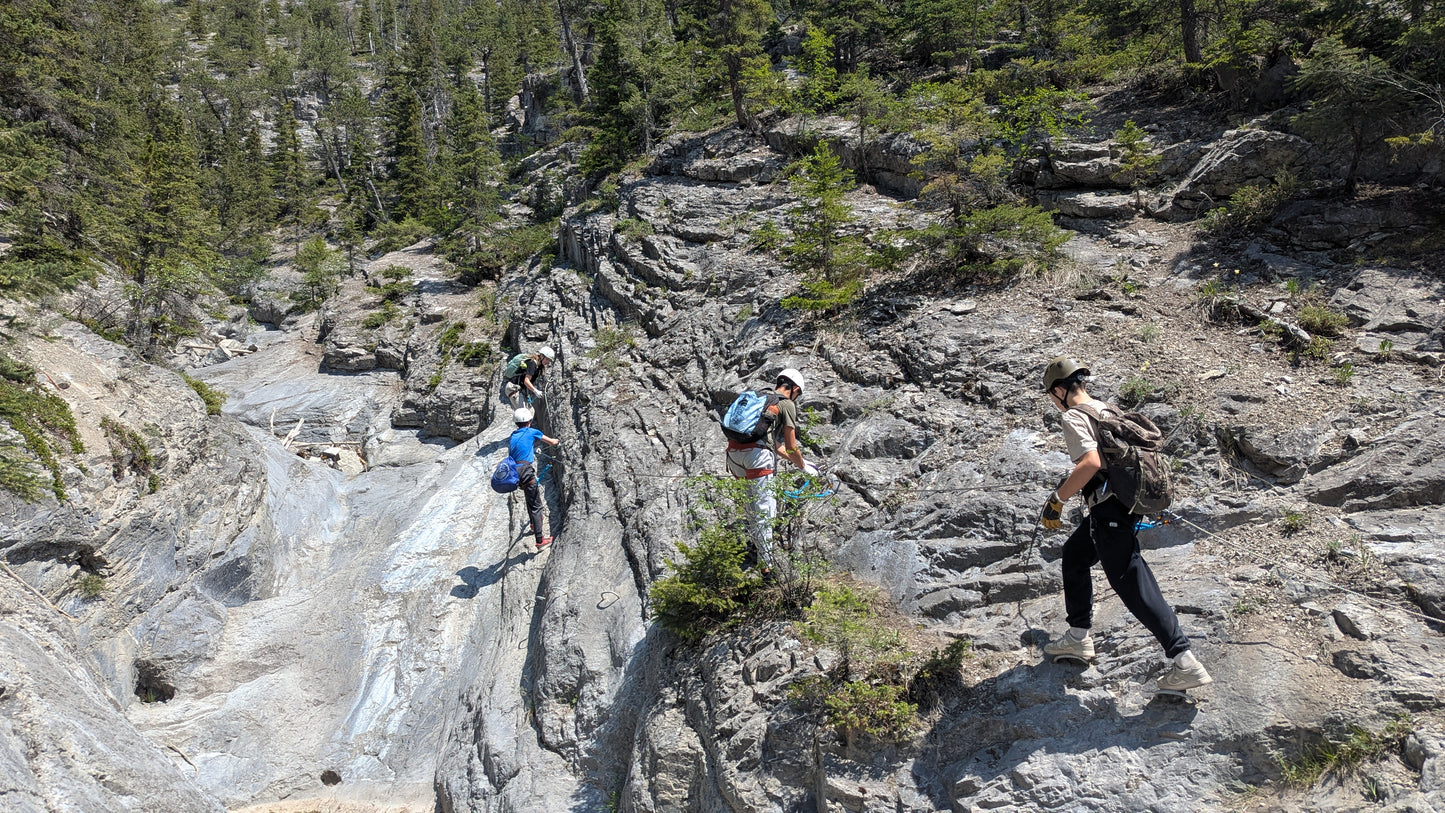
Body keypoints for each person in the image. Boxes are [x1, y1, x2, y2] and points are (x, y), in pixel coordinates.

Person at [1038, 356, 1213, 693]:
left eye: (1051, 395)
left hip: (1110, 514)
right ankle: (1078, 636)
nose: (1053, 402)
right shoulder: (1107, 410)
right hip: (1125, 507)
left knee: (1132, 582)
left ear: (1059, 390)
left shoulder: (1074, 416)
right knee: (1075, 554)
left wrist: (1058, 499)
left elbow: (1090, 463)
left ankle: (1184, 660)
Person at [724, 368, 819, 573]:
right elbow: (792, 446)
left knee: (751, 507)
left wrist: (802, 462)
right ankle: (766, 571)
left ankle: (755, 548)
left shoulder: (760, 397)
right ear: (795, 389)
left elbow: (776, 446)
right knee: (765, 511)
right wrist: (804, 468)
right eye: (798, 394)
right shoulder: (786, 404)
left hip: (733, 455)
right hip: (757, 459)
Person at [510, 406, 560, 553]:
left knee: (529, 497)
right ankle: (540, 541)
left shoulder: (513, 435)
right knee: (536, 506)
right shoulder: (532, 431)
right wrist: (557, 441)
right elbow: (551, 442)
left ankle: (533, 524)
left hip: (515, 472)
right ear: (529, 421)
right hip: (526, 471)